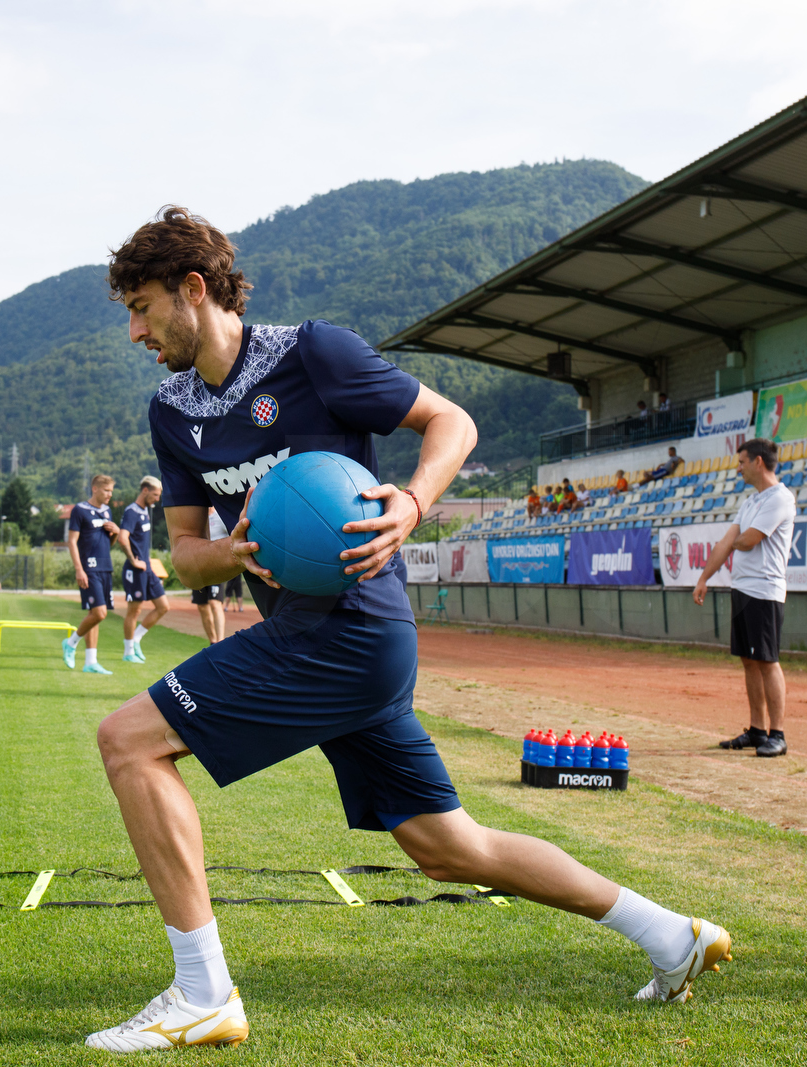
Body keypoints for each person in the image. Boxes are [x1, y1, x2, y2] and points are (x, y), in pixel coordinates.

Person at [84, 206, 731, 1054]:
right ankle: (670, 933)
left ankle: (202, 993)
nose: (134, 329)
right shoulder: (172, 412)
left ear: (193, 289)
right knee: (447, 846)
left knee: (129, 741)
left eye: (141, 305)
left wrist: (415, 502)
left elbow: (451, 422)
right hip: (336, 650)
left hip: (350, 628)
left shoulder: (314, 353)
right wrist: (234, 548)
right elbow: (187, 556)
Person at [691, 439, 796, 759]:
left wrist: (731, 542)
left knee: (767, 660)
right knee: (749, 661)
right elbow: (729, 541)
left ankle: (777, 734)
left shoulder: (780, 498)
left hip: (765, 590)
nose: (738, 468)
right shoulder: (751, 501)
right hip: (743, 588)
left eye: (742, 462)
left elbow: (748, 541)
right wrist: (704, 578)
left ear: (759, 462)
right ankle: (756, 730)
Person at [61, 474, 123, 675]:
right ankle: (71, 643)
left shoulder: (107, 511)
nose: (109, 495)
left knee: (95, 615)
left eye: (111, 491)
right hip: (89, 568)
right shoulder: (80, 510)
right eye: (106, 491)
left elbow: (109, 543)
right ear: (95, 489)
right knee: (100, 613)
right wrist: (79, 569)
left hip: (106, 567)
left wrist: (115, 532)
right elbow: (72, 541)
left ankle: (90, 662)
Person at [117, 475, 168, 665]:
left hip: (148, 569)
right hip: (135, 570)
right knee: (134, 611)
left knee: (163, 606)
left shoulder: (145, 510)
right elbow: (123, 538)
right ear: (145, 490)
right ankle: (128, 651)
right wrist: (133, 560)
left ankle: (136, 639)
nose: (157, 499)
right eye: (155, 495)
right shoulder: (132, 511)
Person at [192, 511, 230, 643]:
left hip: (216, 568)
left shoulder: (220, 516)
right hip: (198, 568)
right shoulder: (197, 518)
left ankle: (220, 642)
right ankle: (213, 643)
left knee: (214, 603)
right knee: (202, 606)